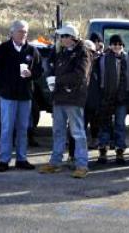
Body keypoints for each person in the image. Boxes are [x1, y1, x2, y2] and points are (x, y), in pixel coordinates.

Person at [39, 23, 92, 178]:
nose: (61, 39)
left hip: (73, 98)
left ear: (72, 38)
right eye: (60, 36)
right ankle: (55, 162)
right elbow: (52, 66)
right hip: (59, 98)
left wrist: (57, 80)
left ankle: (82, 165)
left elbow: (80, 75)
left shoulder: (83, 53)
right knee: (58, 131)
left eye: (63, 36)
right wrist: (51, 77)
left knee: (77, 132)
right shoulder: (62, 52)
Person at [0, 20, 43, 172]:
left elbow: (40, 71)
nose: (23, 34)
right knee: (7, 128)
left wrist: (31, 73)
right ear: (12, 32)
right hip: (8, 96)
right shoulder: (3, 49)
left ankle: (21, 158)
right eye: (20, 31)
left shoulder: (32, 51)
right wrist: (1, 86)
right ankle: (4, 160)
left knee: (23, 128)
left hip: (25, 96)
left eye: (25, 31)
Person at [96, 34, 129, 165]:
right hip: (106, 96)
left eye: (120, 44)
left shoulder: (127, 58)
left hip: (122, 97)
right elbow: (101, 77)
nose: (117, 47)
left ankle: (120, 151)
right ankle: (103, 150)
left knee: (120, 125)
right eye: (114, 44)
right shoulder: (104, 58)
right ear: (110, 45)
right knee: (105, 124)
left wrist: (126, 93)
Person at [67, 39, 99, 166]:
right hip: (78, 103)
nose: (90, 54)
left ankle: (82, 158)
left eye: (92, 52)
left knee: (91, 133)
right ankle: (72, 156)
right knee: (76, 132)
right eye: (86, 51)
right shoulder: (76, 64)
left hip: (93, 104)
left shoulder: (98, 65)